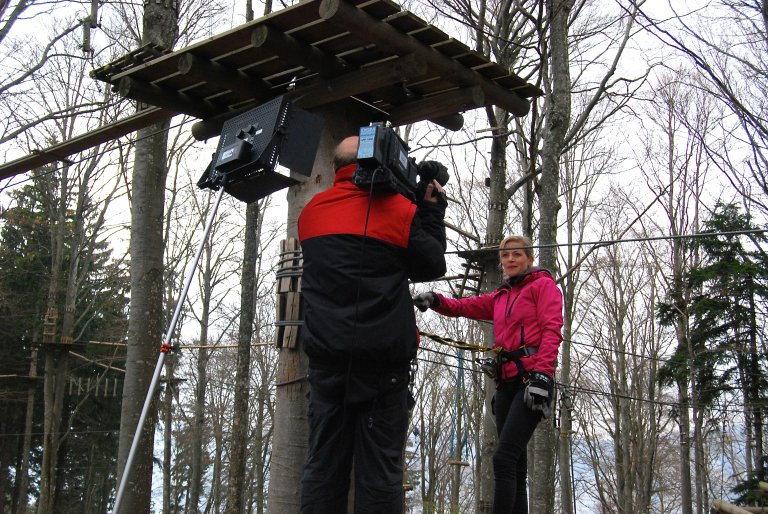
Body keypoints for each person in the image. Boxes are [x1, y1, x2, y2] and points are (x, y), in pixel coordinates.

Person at [297, 135, 447, 513]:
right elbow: (430, 263)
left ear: (336, 169)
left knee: (322, 468)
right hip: (383, 368)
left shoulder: (312, 212)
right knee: (380, 475)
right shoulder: (399, 210)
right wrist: (427, 208)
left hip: (326, 364)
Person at [413, 235, 563, 514]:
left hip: (531, 381)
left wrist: (543, 375)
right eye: (505, 256)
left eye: (517, 255)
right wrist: (435, 299)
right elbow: (463, 307)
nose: (510, 260)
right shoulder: (501, 296)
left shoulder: (544, 287)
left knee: (504, 458)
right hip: (505, 383)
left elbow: (552, 331)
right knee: (514, 465)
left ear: (530, 259)